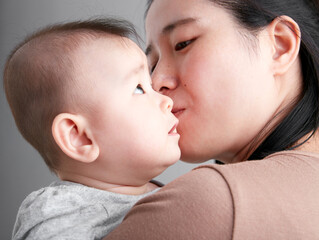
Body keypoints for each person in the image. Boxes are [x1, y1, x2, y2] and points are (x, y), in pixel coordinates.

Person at [104, 0, 319, 239]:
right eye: (152, 65)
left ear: (279, 45)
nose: (156, 82)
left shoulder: (213, 201)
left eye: (182, 44)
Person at [4, 18, 180, 240]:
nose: (166, 100)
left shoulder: (174, 193)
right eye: (138, 89)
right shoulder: (58, 213)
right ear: (79, 137)